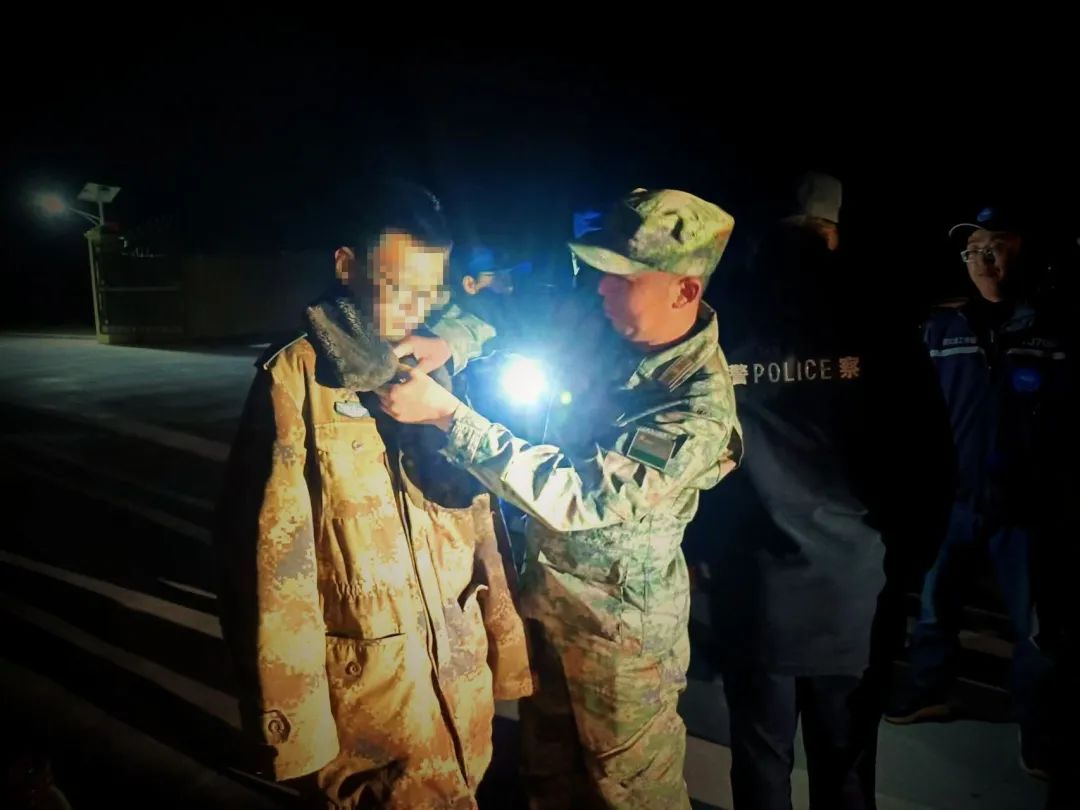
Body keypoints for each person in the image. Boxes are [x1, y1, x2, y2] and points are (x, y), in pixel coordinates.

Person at [379, 188, 743, 809]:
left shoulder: (695, 406)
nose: (600, 288)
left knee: (632, 793)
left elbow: (578, 496)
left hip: (619, 635)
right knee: (548, 775)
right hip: (547, 601)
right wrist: (454, 340)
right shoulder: (603, 325)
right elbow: (515, 315)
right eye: (598, 271)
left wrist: (448, 417)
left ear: (684, 291)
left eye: (622, 277)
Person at [214, 182, 531, 810]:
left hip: (460, 681)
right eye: (399, 288)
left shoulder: (435, 362)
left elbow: (478, 521)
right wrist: (296, 727)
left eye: (430, 293)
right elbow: (273, 566)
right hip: (372, 703)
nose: (417, 309)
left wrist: (506, 645)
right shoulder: (296, 378)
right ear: (346, 266)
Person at [697, 172, 953, 810]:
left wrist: (703, 555)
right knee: (846, 772)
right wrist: (908, 567)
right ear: (835, 237)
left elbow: (692, 452)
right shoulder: (881, 327)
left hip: (753, 587)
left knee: (760, 765)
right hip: (856, 586)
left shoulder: (721, 326)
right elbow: (929, 461)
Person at [885, 205, 1072, 781]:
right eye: (971, 251)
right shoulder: (941, 330)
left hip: (1028, 508)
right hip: (953, 501)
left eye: (995, 247)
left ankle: (1039, 731)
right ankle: (928, 690)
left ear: (1023, 252)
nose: (981, 259)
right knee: (936, 605)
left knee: (1038, 626)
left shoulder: (1057, 329)